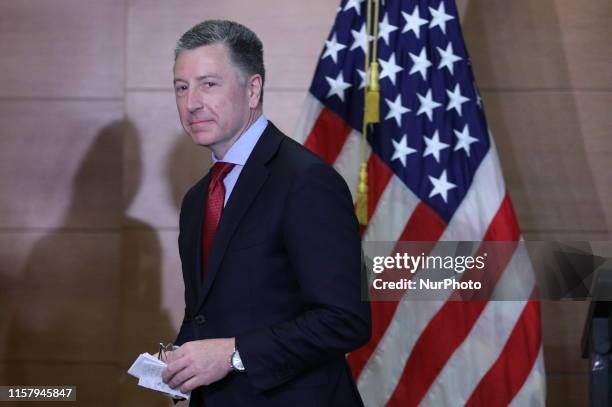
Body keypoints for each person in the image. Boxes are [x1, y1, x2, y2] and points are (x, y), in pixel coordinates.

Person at [161, 19, 371, 407]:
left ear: (253, 89)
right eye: (181, 87)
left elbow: (346, 319)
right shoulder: (196, 199)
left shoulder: (306, 180)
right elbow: (208, 314)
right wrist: (182, 364)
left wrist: (232, 354)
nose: (191, 103)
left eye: (209, 84)